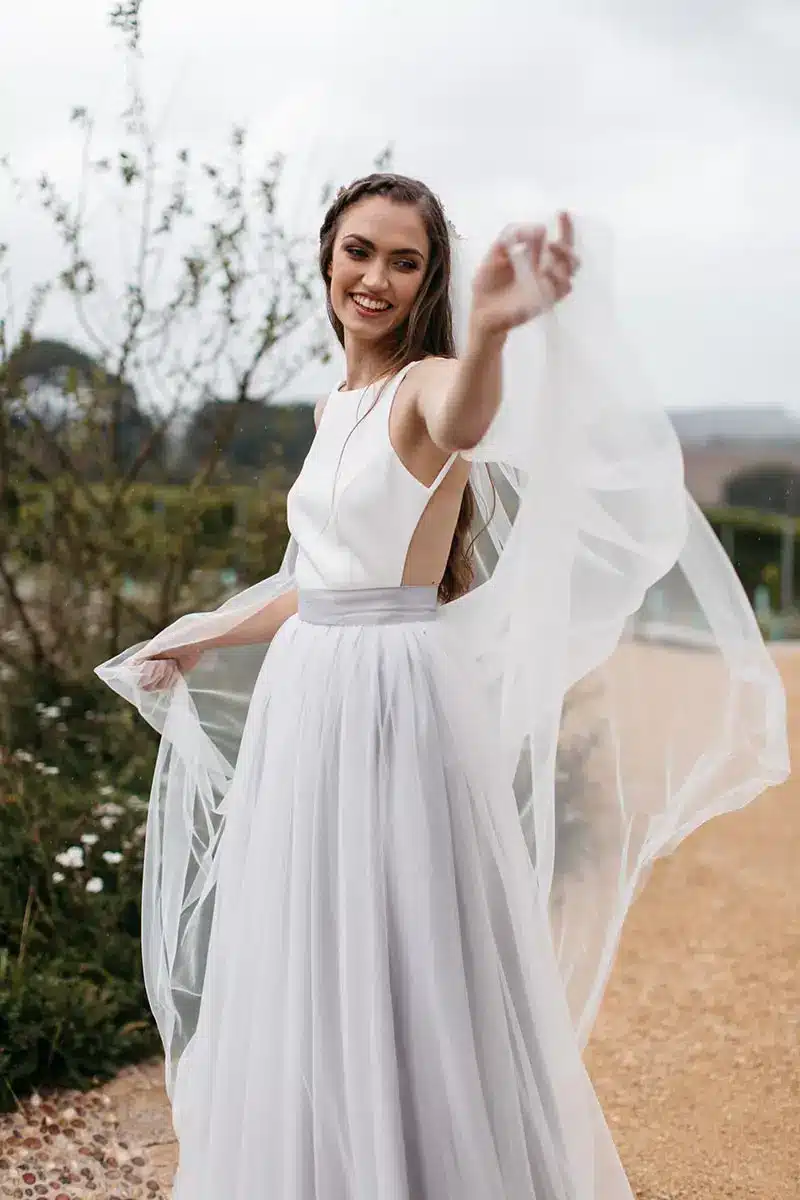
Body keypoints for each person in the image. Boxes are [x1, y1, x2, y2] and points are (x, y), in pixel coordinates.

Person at [96, 173, 788, 1199]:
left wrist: (496, 334)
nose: (373, 277)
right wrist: (205, 634)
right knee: (312, 944)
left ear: (428, 282)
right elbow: (317, 580)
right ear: (326, 257)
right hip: (310, 694)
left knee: (403, 940)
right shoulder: (336, 403)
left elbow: (465, 421)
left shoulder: (429, 382)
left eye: (402, 260)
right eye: (358, 251)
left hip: (389, 696)